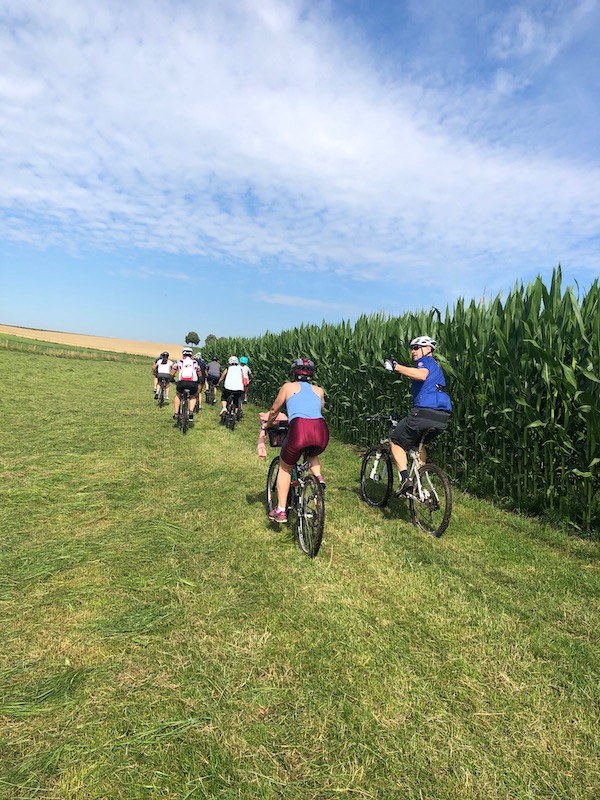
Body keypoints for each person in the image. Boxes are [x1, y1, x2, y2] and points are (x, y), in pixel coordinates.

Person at [384, 336, 452, 496]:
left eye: (416, 348)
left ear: (428, 349)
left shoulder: (425, 362)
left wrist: (396, 366)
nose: (413, 351)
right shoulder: (437, 368)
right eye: (412, 348)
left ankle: (405, 479)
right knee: (418, 446)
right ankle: (419, 481)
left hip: (424, 413)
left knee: (395, 441)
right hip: (442, 417)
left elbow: (421, 375)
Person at [265, 358, 329, 523]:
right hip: (321, 430)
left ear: (293, 372)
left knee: (285, 467)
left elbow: (274, 409)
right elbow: (320, 408)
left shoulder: (288, 387)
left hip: (300, 428)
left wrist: (269, 424)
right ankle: (318, 477)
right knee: (312, 453)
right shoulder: (319, 390)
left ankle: (281, 509)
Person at [170, 347, 202, 421]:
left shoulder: (179, 361)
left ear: (183, 353)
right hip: (193, 383)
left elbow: (172, 372)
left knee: (178, 395)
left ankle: (176, 413)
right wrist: (199, 380)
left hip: (182, 382)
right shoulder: (195, 362)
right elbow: (199, 373)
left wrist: (171, 379)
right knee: (193, 396)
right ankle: (191, 412)